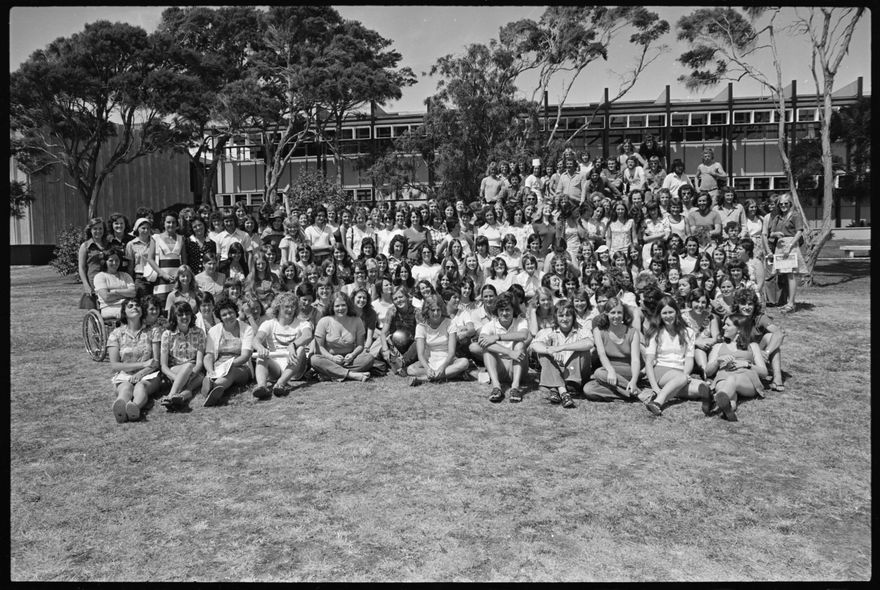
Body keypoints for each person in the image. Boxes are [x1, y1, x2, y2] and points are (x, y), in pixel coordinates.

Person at [642, 295, 711, 416]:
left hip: (680, 371)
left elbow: (689, 359)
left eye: (671, 312)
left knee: (702, 386)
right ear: (659, 315)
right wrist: (654, 387)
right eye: (664, 313)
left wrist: (685, 375)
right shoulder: (655, 332)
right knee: (683, 379)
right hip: (661, 370)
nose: (668, 316)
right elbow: (648, 362)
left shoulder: (688, 332)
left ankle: (709, 400)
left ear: (676, 312)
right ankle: (658, 401)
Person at [583, 297, 652, 405]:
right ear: (606, 313)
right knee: (588, 389)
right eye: (613, 313)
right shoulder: (599, 331)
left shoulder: (632, 332)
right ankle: (634, 394)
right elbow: (602, 355)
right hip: (609, 371)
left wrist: (634, 380)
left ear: (624, 314)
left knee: (598, 373)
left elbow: (635, 360)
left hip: (629, 370)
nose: (616, 316)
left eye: (619, 313)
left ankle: (634, 389)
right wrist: (610, 371)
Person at [108, 297, 163, 423]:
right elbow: (115, 365)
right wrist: (143, 364)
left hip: (149, 374)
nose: (134, 307)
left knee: (140, 386)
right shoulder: (116, 334)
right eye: (130, 306)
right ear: (124, 312)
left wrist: (141, 373)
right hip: (124, 375)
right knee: (126, 388)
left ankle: (134, 407)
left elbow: (155, 362)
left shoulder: (152, 331)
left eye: (137, 305)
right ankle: (120, 407)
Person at [531, 300, 594, 409]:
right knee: (543, 353)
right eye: (561, 315)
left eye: (568, 315)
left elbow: (589, 343)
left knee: (582, 349)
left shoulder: (582, 330)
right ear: (556, 317)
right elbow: (534, 345)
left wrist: (561, 347)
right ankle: (563, 391)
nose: (564, 319)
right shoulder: (549, 331)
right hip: (558, 369)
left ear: (573, 316)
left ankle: (555, 387)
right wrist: (550, 350)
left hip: (576, 374)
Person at [705, 314, 769, 421]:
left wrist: (747, 365)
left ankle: (712, 400)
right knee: (725, 388)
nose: (723, 327)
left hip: (745, 379)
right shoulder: (718, 346)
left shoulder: (752, 346)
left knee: (731, 380)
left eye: (727, 325)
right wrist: (717, 361)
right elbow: (708, 372)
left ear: (739, 329)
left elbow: (764, 372)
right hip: (723, 376)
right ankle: (728, 408)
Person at [251, 292, 313, 399]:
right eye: (286, 307)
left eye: (293, 307)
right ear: (278, 307)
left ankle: (280, 384)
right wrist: (260, 347)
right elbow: (256, 340)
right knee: (262, 355)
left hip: (295, 366)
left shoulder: (303, 323)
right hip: (276, 367)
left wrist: (293, 345)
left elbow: (308, 335)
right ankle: (262, 386)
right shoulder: (269, 323)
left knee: (301, 348)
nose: (290, 310)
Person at [406, 293, 470, 386]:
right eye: (432, 310)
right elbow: (420, 354)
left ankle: (423, 379)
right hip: (429, 361)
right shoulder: (421, 326)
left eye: (438, 310)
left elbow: (451, 352)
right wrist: (427, 369)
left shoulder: (449, 323)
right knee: (410, 369)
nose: (436, 313)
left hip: (447, 361)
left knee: (464, 362)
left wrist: (443, 367)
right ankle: (452, 375)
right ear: (427, 311)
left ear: (442, 309)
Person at [477, 291, 530, 403]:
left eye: (508, 310)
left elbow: (523, 335)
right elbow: (481, 340)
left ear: (513, 310)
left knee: (519, 343)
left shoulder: (521, 321)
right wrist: (509, 352)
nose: (505, 313)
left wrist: (497, 337)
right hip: (500, 367)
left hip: (516, 367)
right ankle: (496, 387)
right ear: (497, 311)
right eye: (501, 310)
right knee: (487, 349)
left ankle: (515, 387)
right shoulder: (490, 324)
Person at [202, 298, 255, 407]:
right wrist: (211, 370)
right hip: (218, 368)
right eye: (224, 315)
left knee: (231, 371)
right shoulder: (214, 331)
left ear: (236, 312)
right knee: (215, 373)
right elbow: (209, 356)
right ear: (220, 317)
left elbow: (245, 356)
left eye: (231, 312)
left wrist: (228, 366)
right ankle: (213, 385)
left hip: (240, 366)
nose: (228, 316)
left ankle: (214, 386)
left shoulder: (247, 329)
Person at [311, 292, 373, 382]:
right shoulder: (324, 321)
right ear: (332, 307)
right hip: (329, 359)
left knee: (369, 358)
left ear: (348, 306)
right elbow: (319, 348)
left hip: (349, 360)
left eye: (343, 305)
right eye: (337, 306)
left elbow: (360, 345)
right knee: (314, 360)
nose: (341, 308)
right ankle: (351, 375)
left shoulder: (357, 320)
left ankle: (331, 374)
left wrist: (352, 355)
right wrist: (332, 358)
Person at [157, 301, 206, 411]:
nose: (185, 317)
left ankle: (179, 398)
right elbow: (163, 366)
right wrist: (179, 378)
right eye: (180, 314)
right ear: (174, 317)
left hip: (195, 372)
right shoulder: (167, 334)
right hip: (174, 371)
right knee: (188, 367)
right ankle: (171, 395)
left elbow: (199, 362)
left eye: (187, 313)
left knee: (194, 378)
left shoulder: (199, 332)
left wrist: (189, 377)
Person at [766, 193, 807, 312]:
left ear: (790, 204)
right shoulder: (778, 217)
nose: (783, 206)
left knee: (792, 274)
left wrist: (790, 245)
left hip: (791, 245)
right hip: (780, 246)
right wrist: (776, 234)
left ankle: (791, 303)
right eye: (781, 204)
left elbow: (799, 231)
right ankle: (789, 301)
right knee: (785, 275)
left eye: (786, 203)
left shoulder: (795, 215)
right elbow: (771, 233)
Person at [93, 248, 137, 320]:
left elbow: (133, 293)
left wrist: (115, 292)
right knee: (129, 313)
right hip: (109, 307)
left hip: (127, 306)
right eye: (111, 260)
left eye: (117, 260)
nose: (114, 263)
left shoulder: (125, 275)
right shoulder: (100, 277)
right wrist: (125, 294)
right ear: (104, 262)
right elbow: (106, 297)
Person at [78, 217, 111, 301]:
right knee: (93, 311)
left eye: (100, 228)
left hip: (108, 282)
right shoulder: (85, 246)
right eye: (95, 229)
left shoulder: (109, 245)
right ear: (90, 230)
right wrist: (86, 285)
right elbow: (81, 268)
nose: (98, 231)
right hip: (92, 283)